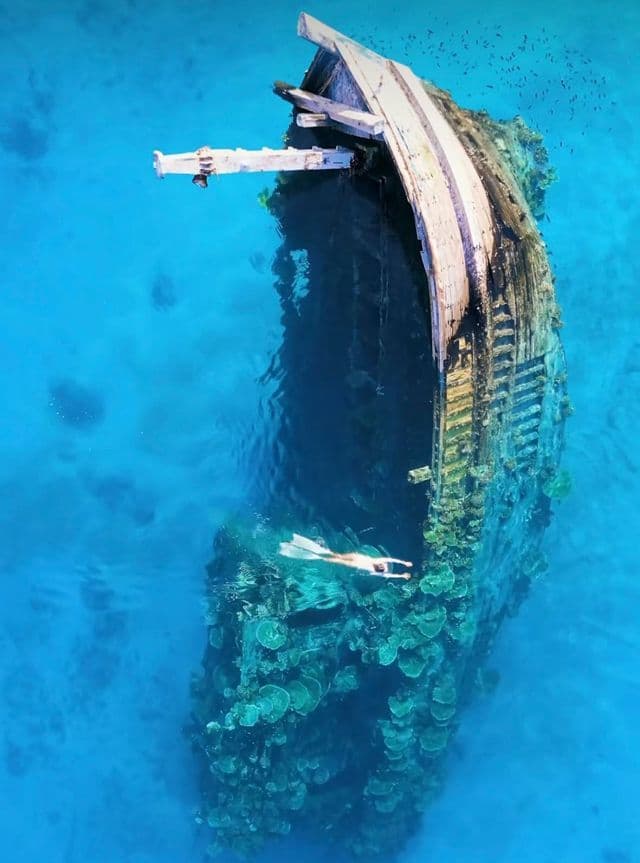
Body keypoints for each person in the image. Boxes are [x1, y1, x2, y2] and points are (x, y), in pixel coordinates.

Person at [278, 533, 412, 580]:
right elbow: (389, 568)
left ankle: (315, 548)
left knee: (331, 555)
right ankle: (315, 549)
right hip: (352, 561)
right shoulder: (376, 568)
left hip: (353, 558)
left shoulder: (377, 562)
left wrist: (404, 564)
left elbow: (390, 561)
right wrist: (403, 569)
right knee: (330, 556)